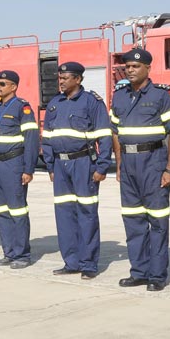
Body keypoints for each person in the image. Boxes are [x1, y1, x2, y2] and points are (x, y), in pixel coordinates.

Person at [110, 49, 170, 292]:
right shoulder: (119, 96)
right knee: (133, 219)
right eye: (127, 66)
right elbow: (116, 133)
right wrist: (119, 164)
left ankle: (157, 275)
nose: (130, 70)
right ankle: (139, 271)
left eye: (135, 67)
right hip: (129, 165)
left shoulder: (163, 95)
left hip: (153, 162)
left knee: (157, 220)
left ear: (148, 68)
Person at [41, 62, 112, 279]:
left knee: (87, 214)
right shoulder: (55, 103)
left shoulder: (91, 102)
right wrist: (50, 165)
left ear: (78, 79)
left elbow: (105, 135)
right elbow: (47, 137)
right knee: (64, 215)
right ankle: (71, 262)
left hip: (84, 165)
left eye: (65, 78)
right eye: (59, 78)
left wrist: (101, 166)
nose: (60, 81)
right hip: (60, 168)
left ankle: (88, 264)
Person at [0, 70, 39, 268]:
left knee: (17, 211)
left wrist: (28, 169)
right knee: (0, 210)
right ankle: (8, 252)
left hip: (13, 165)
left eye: (2, 83)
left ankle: (22, 255)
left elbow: (31, 140)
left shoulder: (22, 108)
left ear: (13, 87)